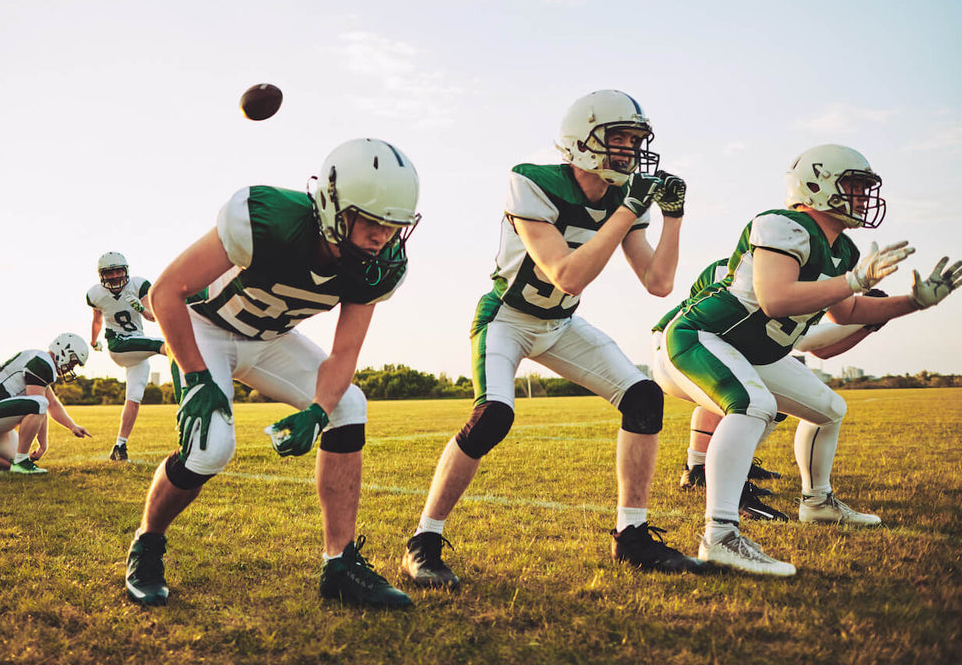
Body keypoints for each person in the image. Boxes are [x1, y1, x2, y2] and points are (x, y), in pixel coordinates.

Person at [401, 89, 701, 592]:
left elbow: (658, 283)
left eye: (634, 140)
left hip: (559, 325)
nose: (630, 150)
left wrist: (673, 217)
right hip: (508, 318)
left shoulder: (620, 201)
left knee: (644, 397)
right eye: (619, 139)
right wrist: (626, 211)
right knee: (492, 415)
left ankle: (631, 535)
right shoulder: (533, 183)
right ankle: (423, 541)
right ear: (582, 140)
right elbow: (566, 275)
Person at [124, 138, 422, 608]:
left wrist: (319, 412)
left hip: (270, 339)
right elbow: (166, 292)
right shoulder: (264, 219)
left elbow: (344, 353)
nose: (382, 236)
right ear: (332, 205)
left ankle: (339, 563)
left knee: (347, 405)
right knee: (210, 448)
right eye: (371, 220)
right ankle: (148, 543)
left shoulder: (380, 264)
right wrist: (197, 376)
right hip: (208, 330)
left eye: (393, 225)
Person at [656, 143, 961, 576]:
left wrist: (913, 302)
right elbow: (776, 299)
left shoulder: (845, 250)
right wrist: (853, 280)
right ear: (817, 186)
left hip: (755, 351)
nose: (861, 197)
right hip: (702, 336)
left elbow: (848, 313)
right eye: (853, 186)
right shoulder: (783, 225)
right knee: (753, 406)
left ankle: (817, 502)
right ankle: (721, 535)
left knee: (829, 409)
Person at [651, 259, 889, 522]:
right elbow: (806, 340)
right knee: (748, 401)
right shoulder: (738, 269)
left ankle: (817, 501)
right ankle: (727, 489)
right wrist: (863, 318)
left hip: (740, 349)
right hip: (680, 344)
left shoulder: (813, 277)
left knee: (825, 407)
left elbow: (819, 348)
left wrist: (868, 322)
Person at [0, 332, 93, 475]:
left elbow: (52, 404)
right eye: (73, 362)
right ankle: (22, 461)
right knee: (40, 404)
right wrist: (42, 445)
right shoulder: (42, 363)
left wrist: (72, 426)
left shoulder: (39, 359)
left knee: (11, 465)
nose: (72, 368)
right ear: (65, 352)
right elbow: (40, 404)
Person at [87, 251, 170, 461]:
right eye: (109, 272)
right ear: (101, 275)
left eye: (118, 271)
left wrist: (141, 309)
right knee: (164, 346)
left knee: (134, 399)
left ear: (125, 271)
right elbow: (97, 319)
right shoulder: (95, 294)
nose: (114, 276)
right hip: (118, 344)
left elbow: (152, 317)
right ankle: (192, 382)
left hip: (137, 348)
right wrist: (94, 340)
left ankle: (119, 447)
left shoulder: (139, 285)